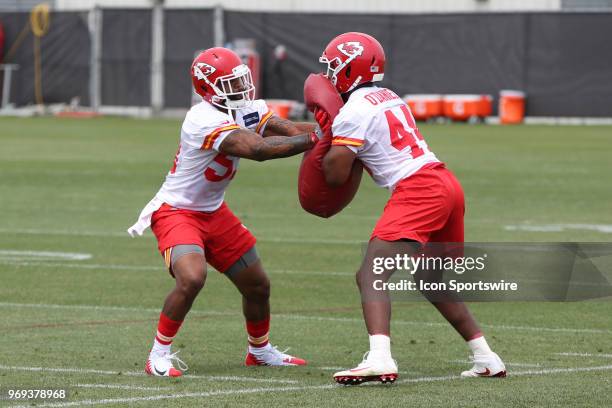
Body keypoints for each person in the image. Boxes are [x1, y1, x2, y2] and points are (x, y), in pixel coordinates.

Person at [313, 32, 506, 385]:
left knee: (370, 274)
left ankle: (380, 358)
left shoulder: (353, 111)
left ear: (348, 69)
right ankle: (486, 356)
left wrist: (325, 136)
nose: (327, 76)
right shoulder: (388, 96)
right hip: (446, 183)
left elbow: (335, 174)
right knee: (430, 279)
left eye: (332, 68)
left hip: (419, 189)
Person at [128, 47, 316, 377]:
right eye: (230, 83)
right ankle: (158, 354)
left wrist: (333, 132)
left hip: (214, 212)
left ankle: (259, 351)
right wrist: (316, 138)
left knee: (257, 285)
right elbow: (257, 150)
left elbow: (285, 130)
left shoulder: (248, 108)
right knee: (192, 277)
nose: (241, 88)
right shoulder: (201, 118)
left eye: (240, 80)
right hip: (177, 211)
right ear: (206, 88)